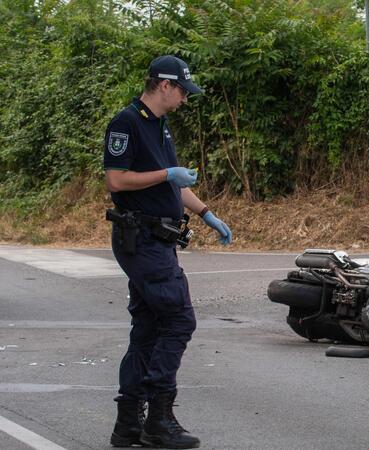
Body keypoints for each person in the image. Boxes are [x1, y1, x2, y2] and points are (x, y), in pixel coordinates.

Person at [104, 55, 233, 449]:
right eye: (182, 91)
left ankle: (128, 422)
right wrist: (166, 175)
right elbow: (117, 178)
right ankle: (158, 418)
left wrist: (207, 213)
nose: (184, 100)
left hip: (156, 239)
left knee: (148, 327)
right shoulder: (127, 123)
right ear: (164, 85)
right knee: (178, 320)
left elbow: (173, 184)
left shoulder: (160, 127)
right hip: (140, 239)